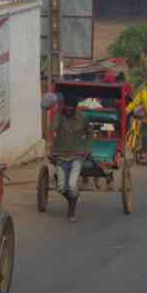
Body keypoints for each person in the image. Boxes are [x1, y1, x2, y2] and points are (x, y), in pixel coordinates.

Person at [51, 93, 92, 223]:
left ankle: (71, 211)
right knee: (61, 188)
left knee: (72, 186)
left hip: (76, 156)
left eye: (70, 108)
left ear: (75, 108)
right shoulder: (58, 116)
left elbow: (90, 132)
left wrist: (87, 148)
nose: (68, 110)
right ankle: (72, 199)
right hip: (60, 155)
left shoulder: (82, 118)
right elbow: (52, 128)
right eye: (66, 107)